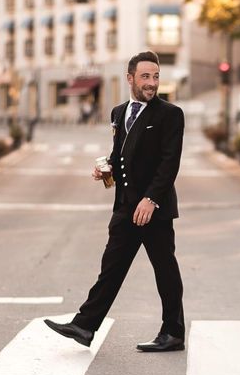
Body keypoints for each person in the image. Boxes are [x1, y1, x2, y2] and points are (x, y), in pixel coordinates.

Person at [45, 51, 187, 352]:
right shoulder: (118, 112)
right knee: (111, 269)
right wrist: (106, 167)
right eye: (145, 76)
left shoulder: (170, 115)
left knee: (165, 271)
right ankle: (84, 326)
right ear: (130, 78)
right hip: (125, 208)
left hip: (153, 210)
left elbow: (168, 163)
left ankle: (173, 332)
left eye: (156, 76)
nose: (152, 83)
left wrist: (151, 199)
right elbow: (122, 152)